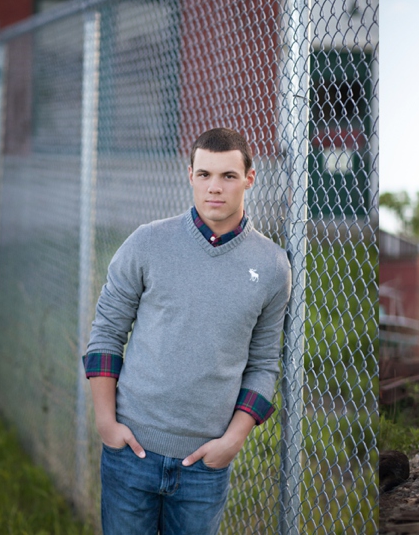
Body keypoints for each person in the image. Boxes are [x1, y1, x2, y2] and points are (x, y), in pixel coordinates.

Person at [83, 127, 292, 534]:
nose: (215, 187)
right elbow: (106, 332)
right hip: (130, 453)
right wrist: (107, 422)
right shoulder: (147, 242)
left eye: (228, 176)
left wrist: (232, 441)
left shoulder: (271, 266)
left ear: (250, 178)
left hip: (204, 465)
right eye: (205, 174)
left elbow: (265, 364)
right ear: (190, 175)